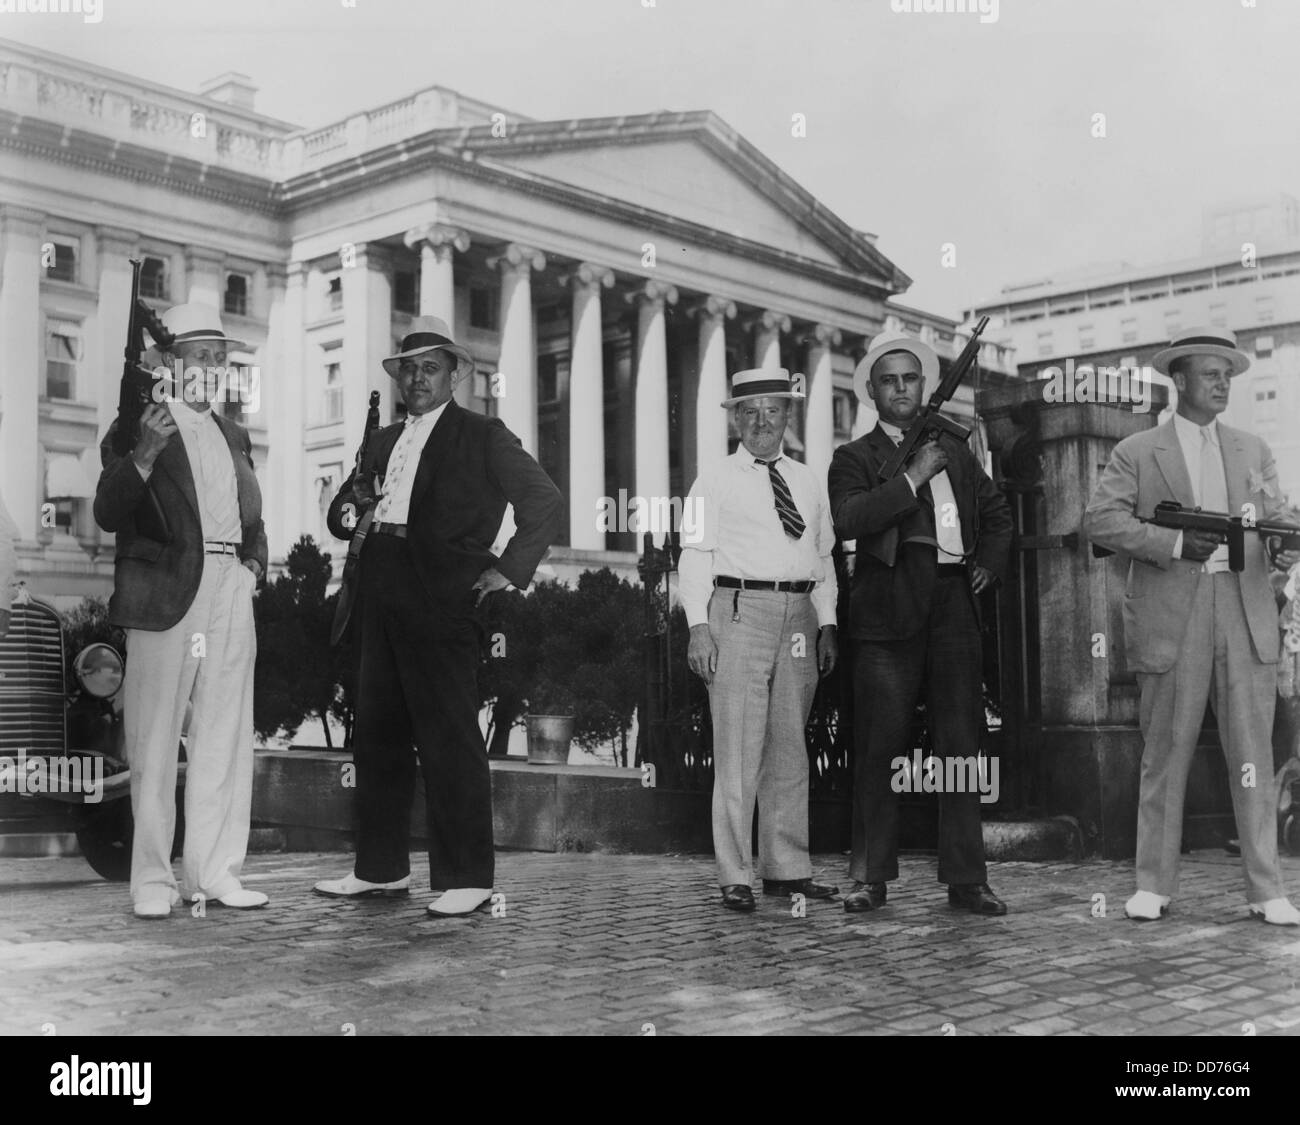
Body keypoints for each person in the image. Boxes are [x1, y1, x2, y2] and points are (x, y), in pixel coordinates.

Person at [314, 316, 562, 917]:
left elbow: (545, 501)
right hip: (380, 589)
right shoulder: (381, 441)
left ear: (455, 375)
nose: (418, 379)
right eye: (409, 370)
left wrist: (505, 570)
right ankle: (380, 871)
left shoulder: (482, 434)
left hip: (444, 599)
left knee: (450, 738)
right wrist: (354, 509)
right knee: (377, 736)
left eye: (430, 368)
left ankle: (469, 878)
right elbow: (340, 519)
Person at [1084, 326, 1300, 925]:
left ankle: (1267, 890)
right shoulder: (1136, 451)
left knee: (1254, 754)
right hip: (1172, 613)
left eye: (1228, 374)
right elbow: (1100, 521)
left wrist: (1285, 546)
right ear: (1177, 380)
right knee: (1164, 754)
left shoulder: (1253, 449)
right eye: (1211, 374)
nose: (1223, 383)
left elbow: (1277, 518)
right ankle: (1153, 884)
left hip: (1244, 605)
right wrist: (1176, 541)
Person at [93, 303, 268, 919]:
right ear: (169, 362)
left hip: (229, 588)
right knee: (155, 739)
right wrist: (141, 454)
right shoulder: (137, 425)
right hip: (167, 594)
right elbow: (108, 512)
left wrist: (252, 568)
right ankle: (151, 880)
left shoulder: (234, 433)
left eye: (220, 357)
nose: (214, 367)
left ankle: (214, 872)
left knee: (225, 733)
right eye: (201, 356)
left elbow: (254, 518)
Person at [828, 333, 1011, 916]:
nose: (901, 388)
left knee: (960, 748)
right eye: (890, 380)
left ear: (924, 387)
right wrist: (910, 479)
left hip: (954, 603)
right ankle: (869, 877)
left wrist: (987, 564)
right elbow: (850, 517)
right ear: (873, 393)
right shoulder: (852, 458)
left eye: (910, 379)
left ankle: (966, 879)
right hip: (887, 610)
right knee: (879, 745)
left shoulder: (956, 451)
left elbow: (998, 514)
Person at [680, 368, 839, 912]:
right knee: (738, 747)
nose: (761, 422)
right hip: (739, 610)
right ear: (735, 419)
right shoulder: (714, 479)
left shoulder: (808, 478)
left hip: (799, 614)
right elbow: (695, 554)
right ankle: (735, 874)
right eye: (749, 412)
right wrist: (698, 626)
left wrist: (827, 622)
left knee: (790, 745)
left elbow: (824, 557)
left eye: (772, 410)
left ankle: (787, 869)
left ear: (787, 416)